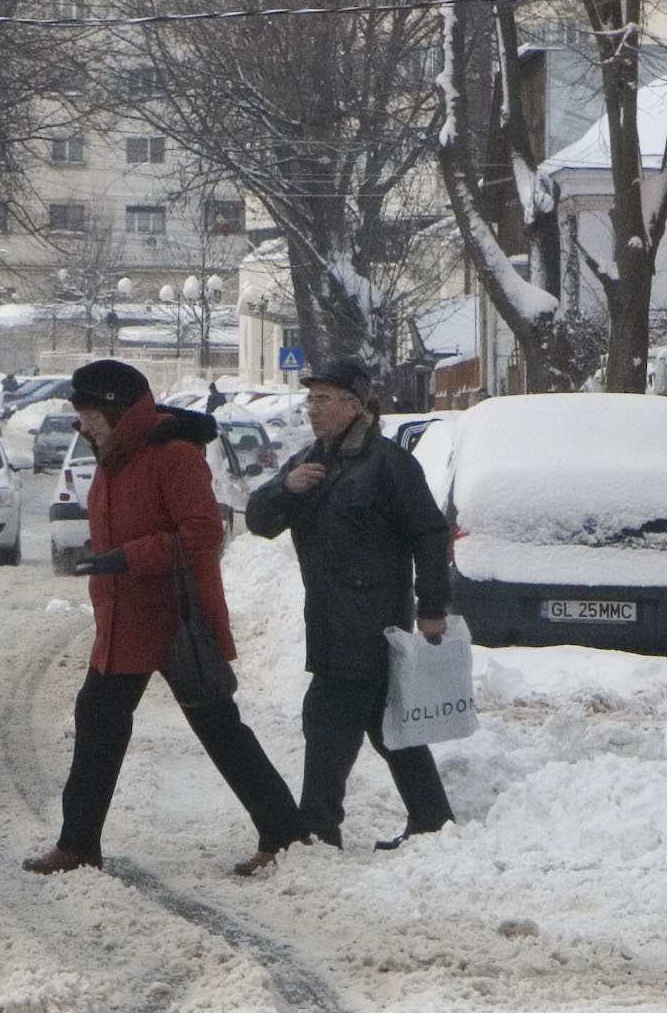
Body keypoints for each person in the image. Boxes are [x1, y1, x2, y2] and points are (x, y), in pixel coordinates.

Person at [25, 359, 304, 878]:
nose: (79, 425)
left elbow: (203, 534)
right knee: (97, 724)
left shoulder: (173, 456)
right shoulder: (112, 456)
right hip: (124, 623)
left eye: (88, 414)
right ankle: (78, 843)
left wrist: (129, 557)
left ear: (116, 410)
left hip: (180, 621)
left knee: (219, 728)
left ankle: (284, 834)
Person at [245, 355, 456, 850]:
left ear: (355, 406)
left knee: (327, 720)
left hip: (372, 623)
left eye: (323, 400)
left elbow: (429, 535)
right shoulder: (309, 462)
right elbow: (258, 518)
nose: (312, 410)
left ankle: (317, 828)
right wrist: (284, 487)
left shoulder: (389, 465)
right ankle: (431, 819)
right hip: (328, 621)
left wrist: (432, 608)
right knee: (387, 725)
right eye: (309, 400)